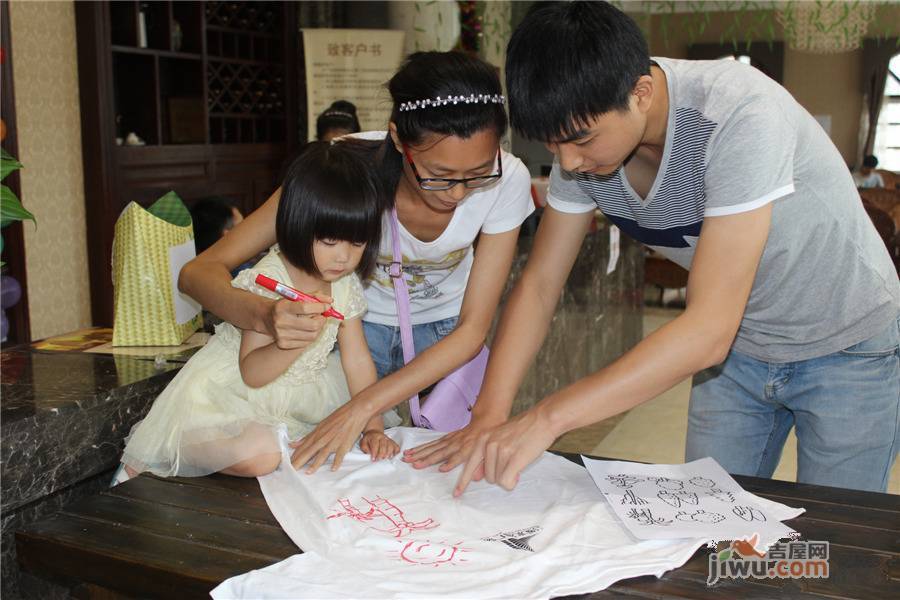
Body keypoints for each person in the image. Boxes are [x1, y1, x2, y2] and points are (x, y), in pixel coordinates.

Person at [452, 1, 899, 495]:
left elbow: (707, 329)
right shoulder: (580, 149)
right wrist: (489, 414)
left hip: (848, 343)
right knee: (709, 523)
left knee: (835, 536)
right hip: (741, 350)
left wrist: (546, 418)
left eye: (580, 140)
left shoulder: (738, 113)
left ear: (640, 92)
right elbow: (539, 286)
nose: (570, 163)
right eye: (554, 145)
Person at [178, 51, 534, 474]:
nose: (457, 193)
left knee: (439, 472)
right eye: (438, 175)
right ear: (399, 140)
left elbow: (474, 327)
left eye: (477, 174)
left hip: (447, 339)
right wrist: (264, 315)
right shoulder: (341, 170)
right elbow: (197, 272)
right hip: (352, 337)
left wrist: (365, 406)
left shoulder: (509, 178)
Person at [114, 142, 400, 484]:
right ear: (296, 223)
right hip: (235, 392)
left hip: (303, 394)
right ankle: (168, 448)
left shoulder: (344, 283)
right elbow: (252, 373)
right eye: (329, 241)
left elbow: (357, 360)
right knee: (262, 455)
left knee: (334, 438)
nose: (343, 258)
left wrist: (372, 425)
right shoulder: (272, 279)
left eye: (356, 243)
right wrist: (290, 342)